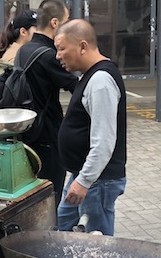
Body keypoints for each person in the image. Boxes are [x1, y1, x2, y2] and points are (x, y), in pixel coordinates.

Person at [54, 19, 127, 236]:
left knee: (97, 244)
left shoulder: (101, 81)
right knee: (63, 225)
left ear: (83, 46)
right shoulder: (89, 76)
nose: (57, 56)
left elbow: (104, 140)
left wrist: (85, 181)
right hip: (83, 176)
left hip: (97, 181)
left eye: (61, 49)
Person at [14, 0, 78, 204]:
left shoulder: (24, 50)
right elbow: (76, 87)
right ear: (54, 23)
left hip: (26, 132)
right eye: (66, 21)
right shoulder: (49, 55)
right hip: (48, 135)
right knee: (52, 194)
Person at [0, 10, 37, 109]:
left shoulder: (7, 49)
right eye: (37, 29)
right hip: (11, 115)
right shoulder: (20, 54)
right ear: (23, 32)